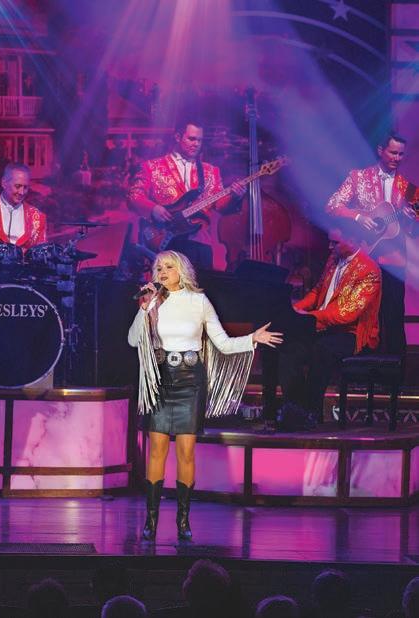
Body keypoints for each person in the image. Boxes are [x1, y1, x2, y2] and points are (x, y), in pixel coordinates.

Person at [128, 250, 283, 540]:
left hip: (190, 380)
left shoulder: (198, 301)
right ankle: (151, 520)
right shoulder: (153, 303)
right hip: (161, 380)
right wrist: (144, 309)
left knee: (186, 451)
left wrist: (252, 339)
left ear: (181, 270)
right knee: (157, 449)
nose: (162, 272)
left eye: (168, 267)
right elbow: (133, 340)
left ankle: (183, 520)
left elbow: (222, 343)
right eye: (158, 268)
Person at [326, 132, 419, 359]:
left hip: (394, 261)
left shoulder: (409, 190)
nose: (397, 158)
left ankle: (396, 371)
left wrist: (411, 219)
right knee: (359, 315)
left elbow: (414, 230)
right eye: (393, 152)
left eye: (401, 154)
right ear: (380, 150)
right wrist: (358, 217)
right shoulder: (358, 178)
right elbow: (333, 205)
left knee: (393, 315)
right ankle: (356, 367)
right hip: (363, 256)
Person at [278, 220, 381, 423]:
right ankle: (295, 407)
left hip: (352, 333)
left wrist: (310, 317)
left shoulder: (369, 270)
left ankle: (312, 411)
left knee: (323, 349)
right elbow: (318, 291)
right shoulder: (333, 260)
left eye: (335, 242)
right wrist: (296, 308)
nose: (329, 247)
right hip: (324, 325)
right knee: (289, 347)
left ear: (351, 239)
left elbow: (346, 314)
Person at [128, 118, 246, 269]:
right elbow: (134, 195)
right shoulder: (152, 167)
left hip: (200, 243)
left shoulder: (211, 171)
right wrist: (153, 208)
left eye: (199, 140)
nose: (196, 144)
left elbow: (220, 205)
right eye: (192, 139)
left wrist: (235, 197)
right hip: (165, 241)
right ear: (178, 137)